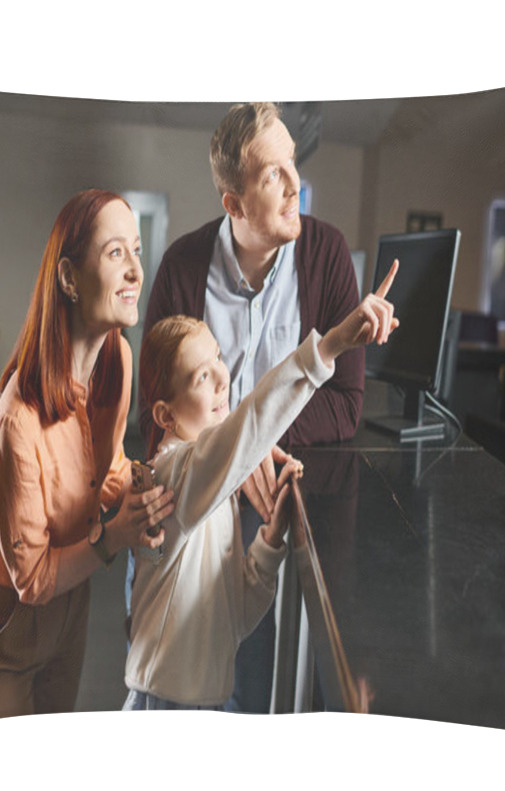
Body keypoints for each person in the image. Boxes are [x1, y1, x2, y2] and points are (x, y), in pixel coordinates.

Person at [138, 102, 366, 712]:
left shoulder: (327, 254)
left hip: (266, 508)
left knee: (247, 689)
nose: (296, 183)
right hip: (188, 512)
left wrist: (256, 449)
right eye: (273, 174)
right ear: (233, 203)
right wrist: (229, 460)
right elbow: (153, 415)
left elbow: (345, 404)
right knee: (167, 678)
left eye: (293, 163)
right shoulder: (182, 267)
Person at [124, 262, 397, 710]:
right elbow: (249, 423)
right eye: (201, 377)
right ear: (165, 416)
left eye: (217, 359)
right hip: (166, 708)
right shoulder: (173, 478)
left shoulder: (210, 490)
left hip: (204, 703)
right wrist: (329, 347)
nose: (222, 379)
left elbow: (234, 614)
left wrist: (271, 537)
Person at [0, 189, 174, 723]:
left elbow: (107, 468)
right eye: (114, 253)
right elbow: (31, 579)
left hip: (71, 614)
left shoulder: (117, 360)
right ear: (70, 278)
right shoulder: (19, 422)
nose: (134, 271)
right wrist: (115, 538)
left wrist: (142, 486)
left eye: (137, 250)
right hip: (7, 629)